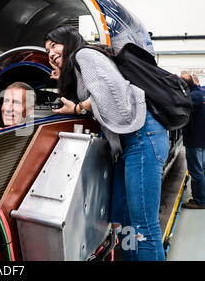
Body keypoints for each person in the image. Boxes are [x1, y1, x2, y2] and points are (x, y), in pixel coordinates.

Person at [45, 25, 169, 261]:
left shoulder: (84, 54)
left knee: (143, 226)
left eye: (54, 45)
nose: (50, 53)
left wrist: (80, 107)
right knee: (123, 219)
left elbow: (111, 90)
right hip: (129, 145)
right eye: (47, 50)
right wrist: (64, 78)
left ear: (69, 42)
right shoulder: (79, 66)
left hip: (143, 137)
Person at [180, 73, 205, 209]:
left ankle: (200, 201)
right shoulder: (202, 93)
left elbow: (183, 114)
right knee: (203, 169)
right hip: (202, 139)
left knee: (196, 171)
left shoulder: (192, 97)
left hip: (194, 139)